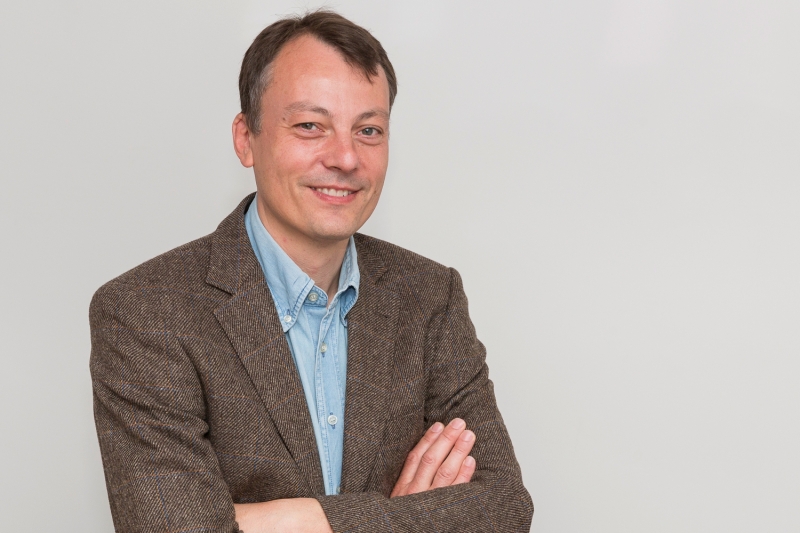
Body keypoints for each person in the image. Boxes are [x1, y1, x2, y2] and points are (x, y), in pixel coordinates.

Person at [90, 10, 532, 533]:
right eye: (309, 126)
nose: (345, 157)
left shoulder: (430, 296)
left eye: (368, 130)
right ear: (246, 138)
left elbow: (506, 507)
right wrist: (403, 519)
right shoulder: (145, 313)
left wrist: (291, 518)